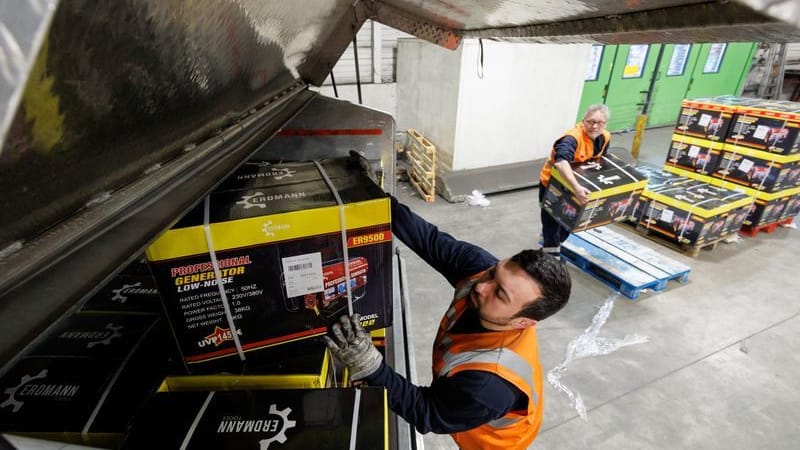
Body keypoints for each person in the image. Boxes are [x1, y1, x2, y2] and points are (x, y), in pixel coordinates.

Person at [324, 195, 572, 450]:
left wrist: (371, 366)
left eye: (499, 295)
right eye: (494, 273)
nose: (482, 286)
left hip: (490, 442)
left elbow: (427, 412)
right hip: (472, 400)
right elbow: (430, 240)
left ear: (523, 322)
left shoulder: (488, 386)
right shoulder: (482, 271)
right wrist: (375, 198)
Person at [538, 104, 611, 260]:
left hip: (575, 187)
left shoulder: (605, 137)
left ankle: (552, 243)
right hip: (553, 185)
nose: (595, 126)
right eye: (590, 121)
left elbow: (600, 161)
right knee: (552, 222)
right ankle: (551, 260)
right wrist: (577, 188)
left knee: (568, 220)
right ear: (583, 121)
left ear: (605, 123)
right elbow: (561, 163)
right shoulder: (572, 139)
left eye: (600, 122)